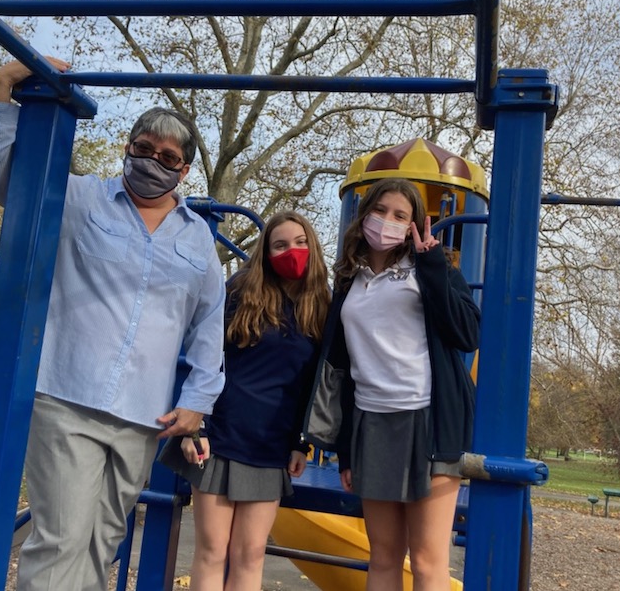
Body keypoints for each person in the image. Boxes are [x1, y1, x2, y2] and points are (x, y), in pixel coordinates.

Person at [0, 58, 226, 590]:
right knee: (62, 537)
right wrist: (2, 93)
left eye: (168, 157)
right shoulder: (81, 198)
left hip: (142, 414)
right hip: (69, 396)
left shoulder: (197, 237)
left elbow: (209, 324)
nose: (152, 161)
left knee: (102, 542)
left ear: (184, 172)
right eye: (144, 148)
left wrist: (199, 400)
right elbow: (6, 182)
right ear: (127, 147)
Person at [306, 178, 480, 591]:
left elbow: (467, 334)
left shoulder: (433, 268)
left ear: (415, 224)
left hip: (429, 422)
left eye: (400, 215)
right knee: (383, 557)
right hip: (372, 423)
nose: (387, 221)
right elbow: (344, 367)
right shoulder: (350, 279)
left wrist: (432, 265)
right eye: (380, 211)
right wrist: (345, 448)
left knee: (426, 562)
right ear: (364, 214)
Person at [161, 211, 331, 591]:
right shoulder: (241, 290)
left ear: (313, 247)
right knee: (212, 551)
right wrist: (196, 425)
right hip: (219, 435)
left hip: (271, 447)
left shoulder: (320, 307)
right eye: (281, 245)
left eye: (301, 243)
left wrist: (299, 442)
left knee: (251, 554)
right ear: (266, 253)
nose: (292, 251)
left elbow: (311, 385)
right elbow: (205, 355)